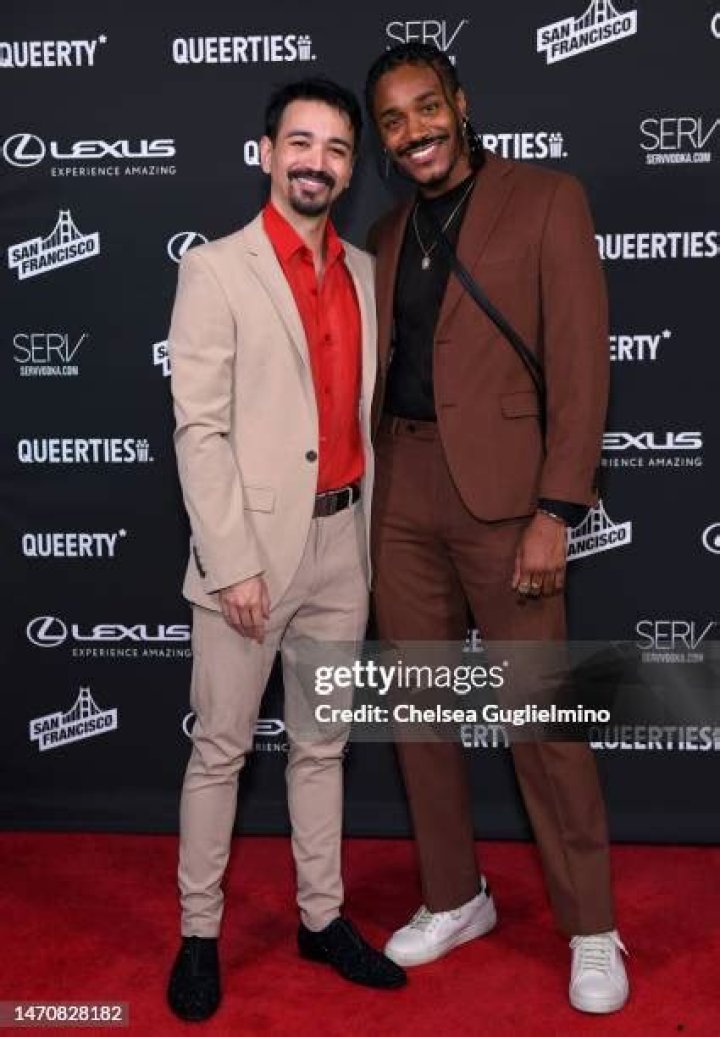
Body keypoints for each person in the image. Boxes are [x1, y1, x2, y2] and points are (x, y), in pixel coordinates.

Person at [364, 43, 629, 1014]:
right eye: (392, 120)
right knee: (421, 710)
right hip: (401, 488)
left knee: (541, 717)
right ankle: (454, 894)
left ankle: (592, 922)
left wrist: (557, 509)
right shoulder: (385, 230)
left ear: (461, 104)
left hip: (511, 497)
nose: (414, 131)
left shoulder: (548, 198)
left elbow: (582, 363)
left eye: (426, 107)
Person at [166, 76, 406, 1022]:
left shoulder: (367, 273)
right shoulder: (214, 269)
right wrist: (233, 563)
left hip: (345, 547)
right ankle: (198, 934)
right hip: (252, 555)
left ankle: (322, 916)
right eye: (301, 143)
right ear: (267, 153)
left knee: (322, 749)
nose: (317, 162)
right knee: (220, 752)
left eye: (337, 149)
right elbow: (199, 431)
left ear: (351, 170)